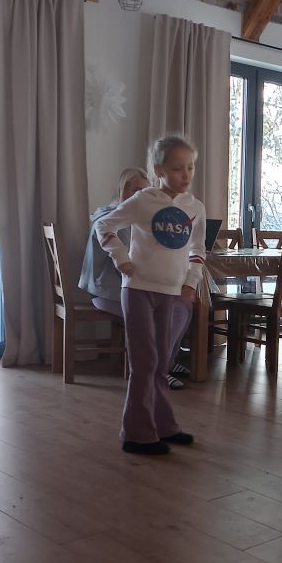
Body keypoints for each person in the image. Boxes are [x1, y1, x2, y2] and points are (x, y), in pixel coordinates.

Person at [95, 135, 205, 455]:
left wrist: (190, 284)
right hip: (138, 291)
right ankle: (136, 434)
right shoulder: (143, 201)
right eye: (177, 168)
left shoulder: (195, 207)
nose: (185, 174)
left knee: (160, 364)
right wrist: (121, 258)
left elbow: (198, 250)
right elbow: (104, 226)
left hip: (171, 294)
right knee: (144, 363)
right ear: (159, 170)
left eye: (190, 167)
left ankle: (164, 425)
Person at [79, 169, 192, 390]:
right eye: (135, 190)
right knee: (174, 310)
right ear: (123, 191)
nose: (140, 195)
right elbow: (131, 264)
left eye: (145, 190)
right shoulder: (116, 220)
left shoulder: (137, 217)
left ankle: (168, 361)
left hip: (127, 287)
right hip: (106, 292)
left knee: (184, 304)